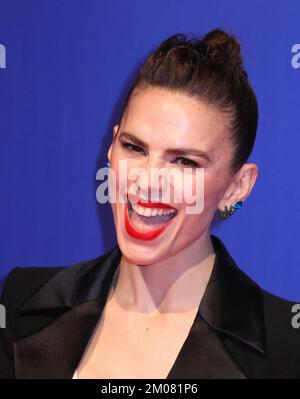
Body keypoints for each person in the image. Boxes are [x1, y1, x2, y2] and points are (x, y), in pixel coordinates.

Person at [0, 28, 299, 379]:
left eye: (185, 162)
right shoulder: (24, 303)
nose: (147, 181)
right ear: (111, 148)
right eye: (134, 148)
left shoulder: (287, 347)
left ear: (237, 186)